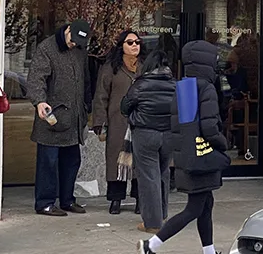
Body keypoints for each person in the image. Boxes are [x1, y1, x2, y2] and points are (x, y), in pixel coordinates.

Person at [137, 39, 228, 254]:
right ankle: (151, 246)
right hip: (202, 156)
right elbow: (209, 128)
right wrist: (222, 144)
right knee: (194, 208)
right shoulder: (206, 88)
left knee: (205, 204)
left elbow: (186, 127)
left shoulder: (184, 86)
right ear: (207, 62)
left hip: (188, 156)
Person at [24, 18, 92, 216]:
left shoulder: (80, 50)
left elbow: (85, 79)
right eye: (73, 41)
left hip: (74, 118)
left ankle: (67, 199)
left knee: (72, 161)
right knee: (48, 163)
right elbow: (36, 78)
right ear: (68, 30)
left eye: (78, 43)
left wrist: (86, 106)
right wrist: (39, 101)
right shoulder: (47, 48)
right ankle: (44, 202)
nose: (74, 45)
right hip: (51, 118)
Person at [121, 49, 177, 231]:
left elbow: (125, 106)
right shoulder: (174, 85)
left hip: (145, 134)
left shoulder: (140, 84)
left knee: (148, 177)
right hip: (169, 134)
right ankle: (163, 214)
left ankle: (152, 223)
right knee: (163, 173)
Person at [93, 29, 142, 215]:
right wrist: (100, 123)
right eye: (130, 42)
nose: (135, 45)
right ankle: (115, 200)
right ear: (121, 46)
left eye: (137, 42)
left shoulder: (144, 67)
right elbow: (101, 97)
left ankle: (140, 200)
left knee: (139, 162)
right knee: (116, 161)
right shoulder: (110, 68)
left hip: (140, 122)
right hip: (117, 123)